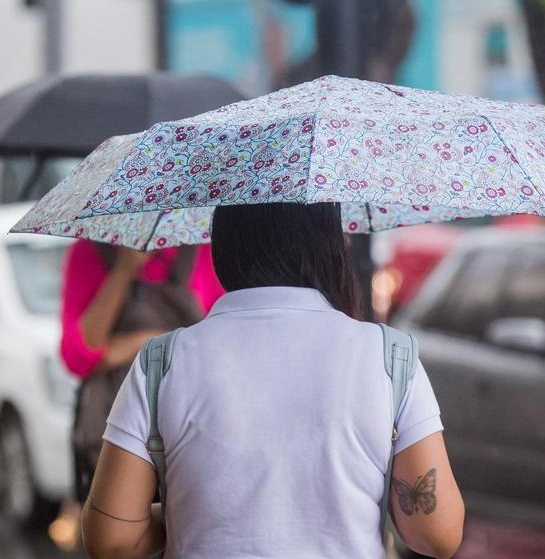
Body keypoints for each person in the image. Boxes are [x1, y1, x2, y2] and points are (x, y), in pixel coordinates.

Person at [80, 202, 464, 559]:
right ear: (330, 245)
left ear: (223, 247)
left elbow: (111, 538)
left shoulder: (162, 362)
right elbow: (436, 534)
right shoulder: (390, 358)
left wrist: (189, 518)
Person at [61, 239, 222, 504]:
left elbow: (218, 344)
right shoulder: (88, 252)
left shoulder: (203, 249)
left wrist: (117, 349)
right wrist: (124, 271)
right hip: (116, 433)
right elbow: (77, 356)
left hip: (192, 429)